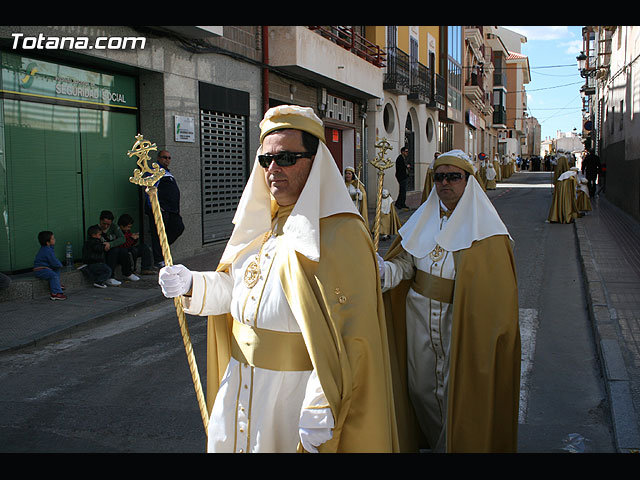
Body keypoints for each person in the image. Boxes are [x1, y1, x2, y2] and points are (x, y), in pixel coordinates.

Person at [158, 105, 399, 453]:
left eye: (286, 158)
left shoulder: (341, 233)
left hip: (294, 397)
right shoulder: (260, 224)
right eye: (265, 160)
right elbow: (236, 290)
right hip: (241, 384)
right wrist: (192, 284)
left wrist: (321, 403)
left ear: (315, 163)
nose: (273, 169)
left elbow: (353, 333)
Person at [379, 149, 520, 453]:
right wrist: (381, 271)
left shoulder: (489, 233)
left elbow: (496, 299)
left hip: (461, 325)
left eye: (453, 176)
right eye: (439, 177)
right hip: (417, 320)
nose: (445, 183)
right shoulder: (422, 220)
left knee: (458, 394)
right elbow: (404, 266)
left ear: (468, 182)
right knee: (420, 389)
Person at [146, 149, 185, 268]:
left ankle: (162, 250)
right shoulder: (154, 171)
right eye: (164, 157)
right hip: (161, 210)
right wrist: (156, 207)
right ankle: (159, 259)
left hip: (172, 210)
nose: (167, 160)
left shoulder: (167, 172)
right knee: (158, 234)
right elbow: (150, 190)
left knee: (178, 227)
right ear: (158, 158)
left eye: (169, 158)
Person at [98, 210, 134, 284]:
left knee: (123, 251)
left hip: (112, 249)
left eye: (108, 224)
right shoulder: (95, 229)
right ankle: (110, 277)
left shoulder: (114, 227)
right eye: (104, 224)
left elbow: (122, 238)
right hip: (102, 252)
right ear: (100, 221)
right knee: (114, 251)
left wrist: (110, 244)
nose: (105, 226)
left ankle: (127, 273)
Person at [33, 231, 66, 301]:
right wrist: (60, 265)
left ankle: (56, 285)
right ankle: (55, 293)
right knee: (53, 275)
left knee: (56, 270)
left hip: (46, 268)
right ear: (48, 242)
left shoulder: (48, 248)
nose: (55, 240)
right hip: (40, 270)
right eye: (53, 239)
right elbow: (53, 260)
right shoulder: (47, 250)